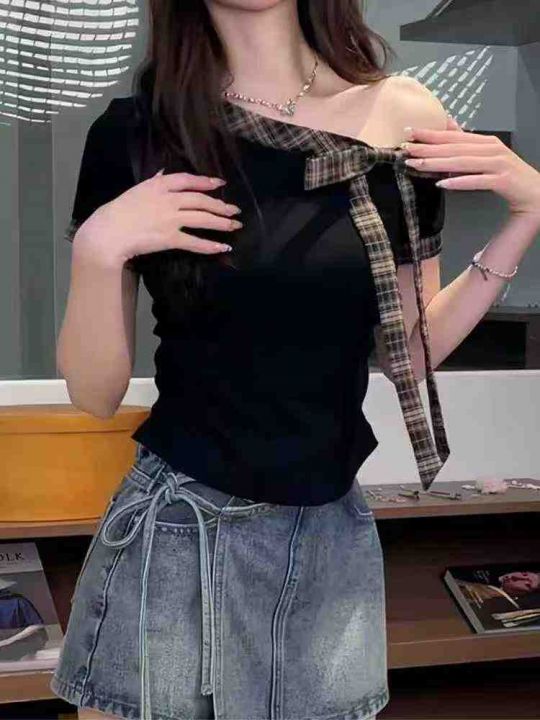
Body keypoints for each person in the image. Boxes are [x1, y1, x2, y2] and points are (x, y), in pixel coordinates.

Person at [49, 1, 540, 719]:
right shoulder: (139, 132)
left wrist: (525, 218)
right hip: (182, 532)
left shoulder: (403, 118)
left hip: (330, 535)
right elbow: (95, 394)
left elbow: (408, 350)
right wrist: (98, 250)